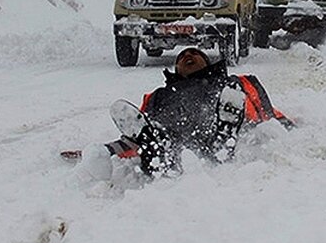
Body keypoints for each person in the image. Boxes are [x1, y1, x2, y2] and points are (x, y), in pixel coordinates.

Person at [103, 47, 292, 175]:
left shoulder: (235, 84)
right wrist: (107, 151)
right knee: (153, 139)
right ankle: (157, 156)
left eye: (194, 53)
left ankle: (225, 136)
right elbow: (136, 135)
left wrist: (288, 128)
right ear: (176, 69)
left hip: (213, 133)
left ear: (208, 63)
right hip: (171, 144)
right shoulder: (157, 96)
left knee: (225, 121)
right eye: (181, 57)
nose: (187, 56)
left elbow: (268, 115)